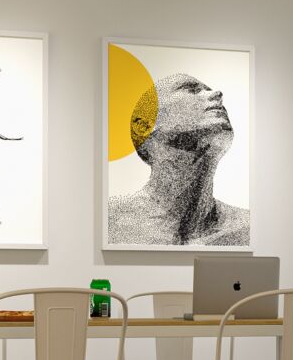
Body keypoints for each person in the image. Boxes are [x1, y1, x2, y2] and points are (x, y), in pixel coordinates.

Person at [106, 73, 250, 246]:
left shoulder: (250, 228)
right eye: (192, 89)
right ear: (144, 125)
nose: (217, 94)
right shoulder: (107, 220)